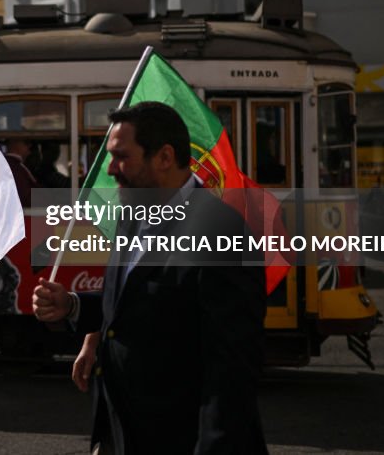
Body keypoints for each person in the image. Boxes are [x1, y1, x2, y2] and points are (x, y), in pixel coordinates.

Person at [33, 102, 268, 454]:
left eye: (122, 157)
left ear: (165, 157)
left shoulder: (220, 230)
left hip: (177, 438)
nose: (110, 169)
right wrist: (72, 306)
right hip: (122, 433)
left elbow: (231, 372)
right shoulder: (132, 213)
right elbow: (129, 306)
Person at [3, 137, 39, 206]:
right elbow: (25, 196)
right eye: (26, 142)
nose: (30, 145)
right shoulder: (13, 167)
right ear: (13, 142)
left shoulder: (16, 165)